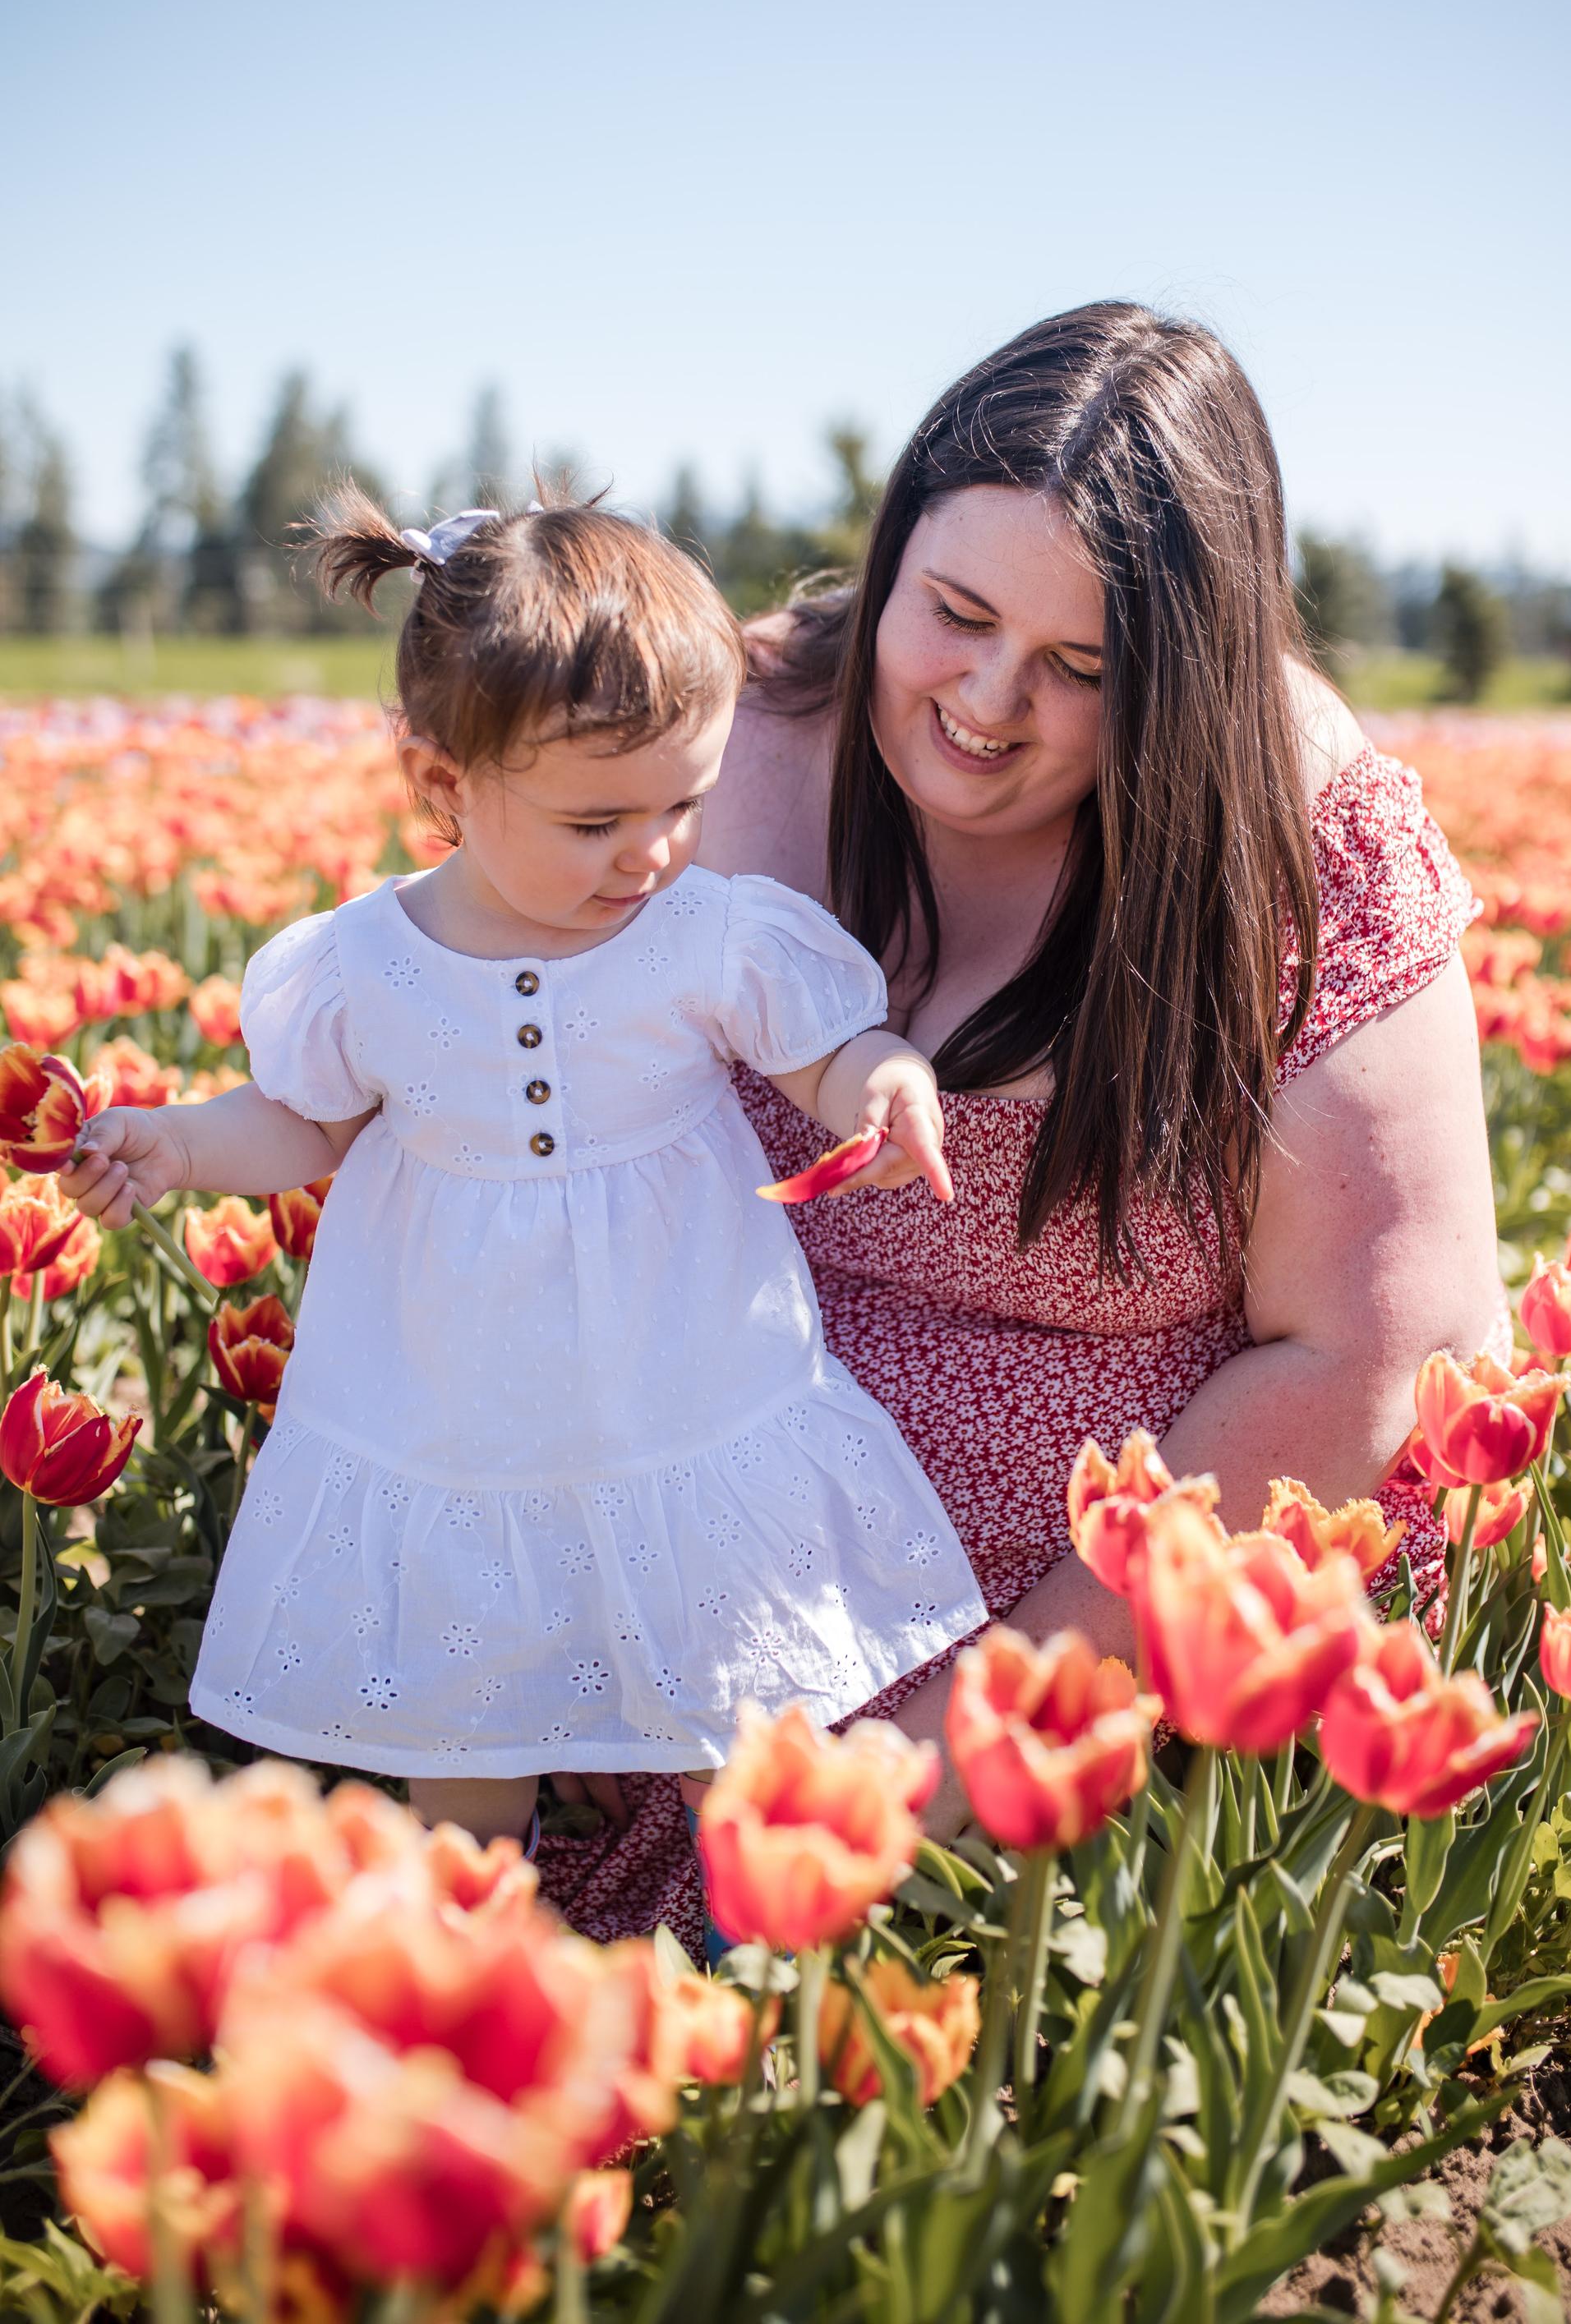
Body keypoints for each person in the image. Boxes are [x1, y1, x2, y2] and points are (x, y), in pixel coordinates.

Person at [532, 301, 1504, 1955]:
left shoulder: (1294, 832)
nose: (987, 702)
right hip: (712, 1553)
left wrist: (941, 1759)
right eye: (956, 614)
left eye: (1081, 668)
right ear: (889, 549)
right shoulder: (717, 740)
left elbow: (1365, 1359)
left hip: (1136, 1615)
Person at [60, 491, 986, 1854]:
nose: (655, 850)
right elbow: (304, 1129)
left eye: (685, 800)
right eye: (598, 819)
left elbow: (818, 1054)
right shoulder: (364, 968)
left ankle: (758, 1921)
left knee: (731, 1666)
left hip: (682, 1371)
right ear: (442, 783)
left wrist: (882, 1084)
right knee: (470, 1691)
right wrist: (185, 1143)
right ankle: (478, 1901)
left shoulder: (704, 933)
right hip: (456, 1397)